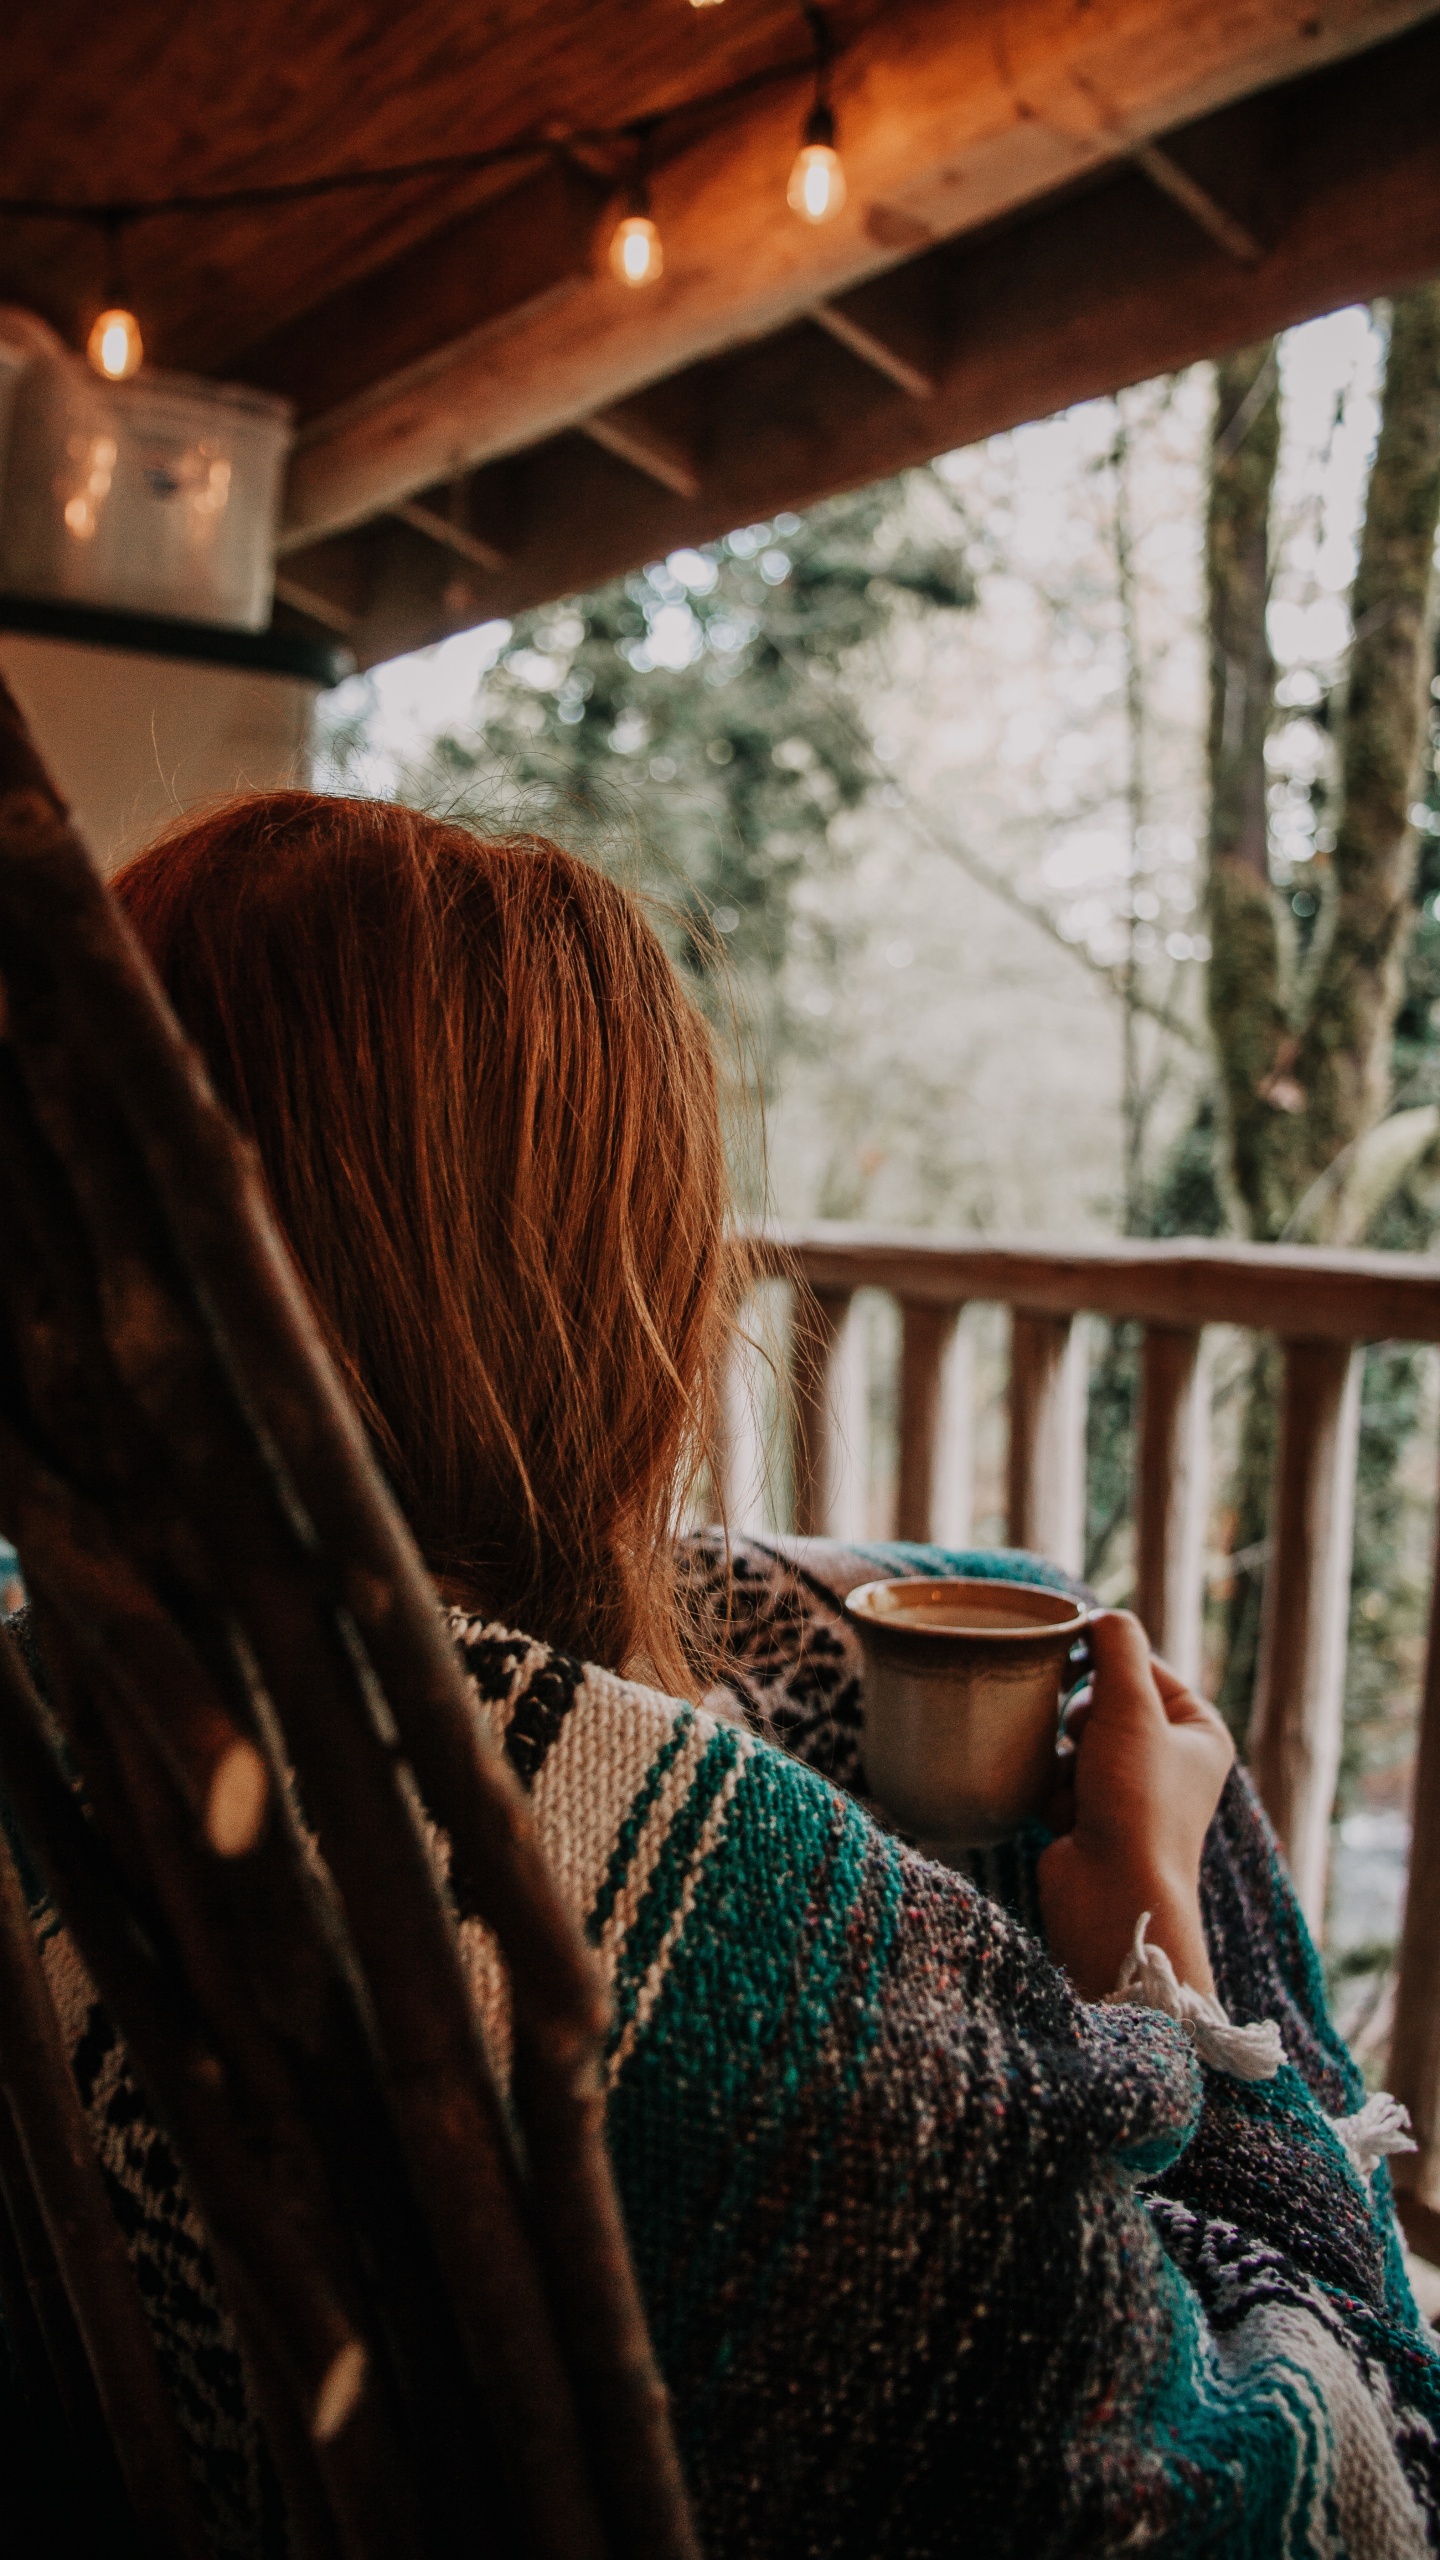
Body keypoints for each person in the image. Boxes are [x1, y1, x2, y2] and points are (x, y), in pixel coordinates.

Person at [16, 791, 1440, 2554]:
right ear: (574, 1311)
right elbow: (1352, 2494)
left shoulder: (87, 1674)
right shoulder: (767, 2031)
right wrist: (1166, 1959)